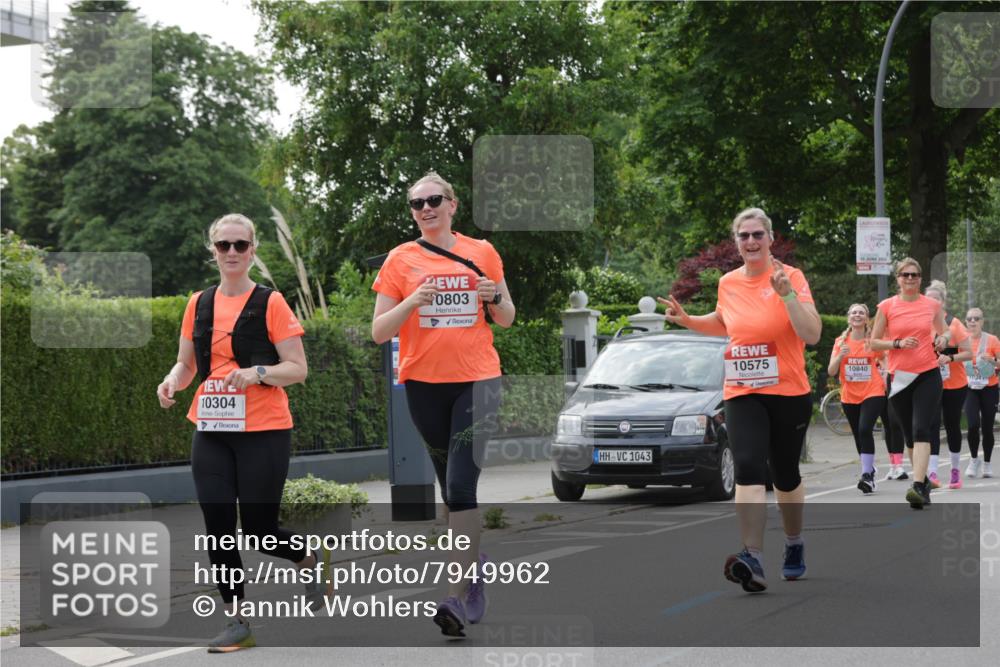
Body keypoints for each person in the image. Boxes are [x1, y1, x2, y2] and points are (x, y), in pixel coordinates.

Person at [156, 213, 315, 652]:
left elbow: (297, 369)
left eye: (240, 245)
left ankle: (306, 558)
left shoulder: (271, 303)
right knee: (219, 527)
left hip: (264, 430)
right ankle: (238, 621)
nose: (231, 253)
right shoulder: (198, 303)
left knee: (261, 531)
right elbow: (188, 364)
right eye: (223, 245)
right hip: (212, 429)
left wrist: (258, 372)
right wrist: (171, 382)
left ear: (253, 250)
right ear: (213, 250)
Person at [371, 171, 515, 637]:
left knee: (459, 486)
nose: (426, 208)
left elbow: (507, 318)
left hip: (478, 381)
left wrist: (494, 297)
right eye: (417, 204)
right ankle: (472, 566)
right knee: (448, 499)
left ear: (453, 204)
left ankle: (453, 597)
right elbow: (379, 331)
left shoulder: (482, 252)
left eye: (434, 200)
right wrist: (412, 299)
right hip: (422, 385)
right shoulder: (400, 259)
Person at [660, 207, 821, 593]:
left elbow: (812, 333)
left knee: (785, 474)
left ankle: (794, 543)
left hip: (788, 390)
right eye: (743, 236)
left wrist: (787, 298)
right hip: (743, 390)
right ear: (736, 242)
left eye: (757, 235)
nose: (751, 242)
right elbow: (723, 321)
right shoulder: (728, 283)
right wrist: (689, 320)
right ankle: (753, 557)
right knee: (748, 468)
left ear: (770, 238)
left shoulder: (790, 278)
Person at [869, 258, 948, 509]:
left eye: (914, 275)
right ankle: (923, 484)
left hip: (927, 374)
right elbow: (873, 342)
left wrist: (943, 340)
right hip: (900, 377)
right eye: (905, 275)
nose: (910, 279)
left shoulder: (932, 305)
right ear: (898, 279)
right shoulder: (887, 306)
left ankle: (915, 485)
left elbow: (944, 331)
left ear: (920, 278)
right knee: (910, 437)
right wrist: (897, 344)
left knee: (921, 429)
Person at [827, 304, 885, 494]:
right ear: (848, 318)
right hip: (850, 395)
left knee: (864, 429)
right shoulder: (840, 342)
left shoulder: (872, 341)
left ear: (867, 318)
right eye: (854, 312)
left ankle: (867, 476)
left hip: (873, 391)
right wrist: (839, 356)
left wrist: (886, 373)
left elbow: (886, 359)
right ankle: (869, 468)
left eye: (861, 312)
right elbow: (831, 371)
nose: (857, 315)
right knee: (858, 435)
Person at [923, 281, 972, 489]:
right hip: (929, 382)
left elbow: (969, 353)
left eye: (936, 298)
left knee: (952, 425)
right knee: (932, 424)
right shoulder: (922, 324)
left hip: (955, 384)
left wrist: (950, 359)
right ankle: (932, 472)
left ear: (942, 302)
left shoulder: (954, 324)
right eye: (929, 298)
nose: (932, 302)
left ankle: (954, 470)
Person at [963, 307, 999, 477]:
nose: (973, 321)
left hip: (989, 388)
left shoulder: (992, 340)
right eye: (970, 319)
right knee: (972, 425)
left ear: (982, 322)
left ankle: (987, 464)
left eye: (976, 318)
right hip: (969, 388)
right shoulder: (962, 341)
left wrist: (993, 360)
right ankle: (973, 459)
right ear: (966, 322)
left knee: (987, 427)